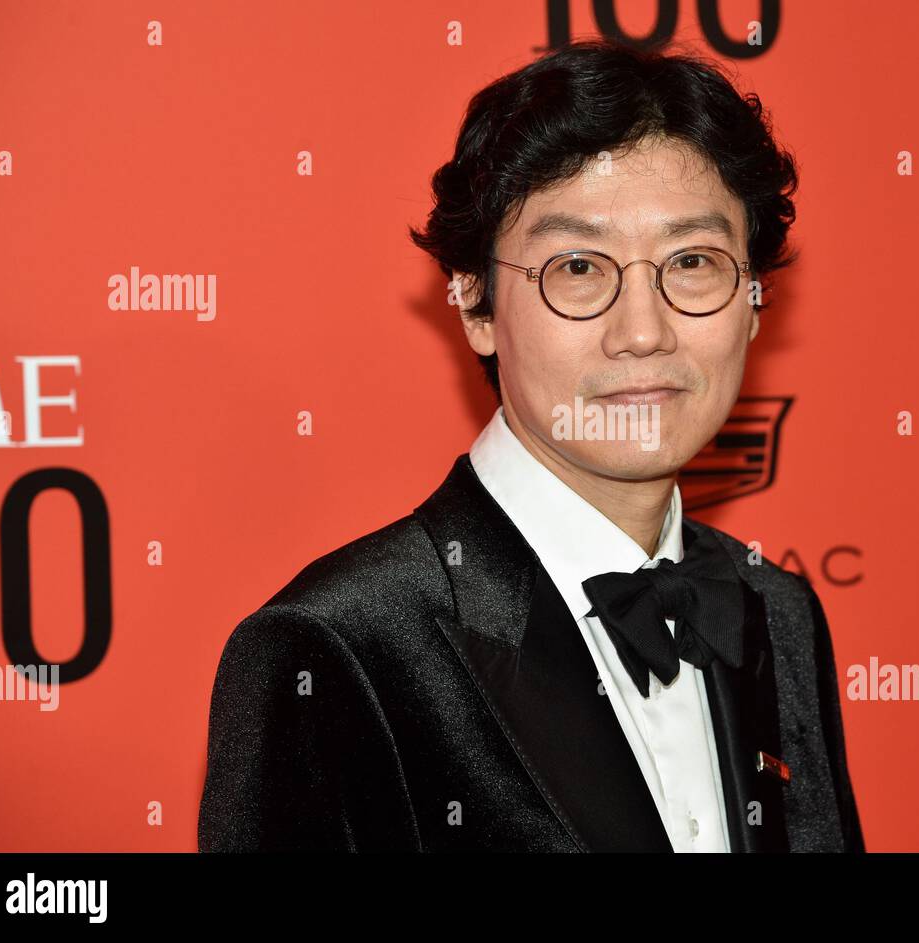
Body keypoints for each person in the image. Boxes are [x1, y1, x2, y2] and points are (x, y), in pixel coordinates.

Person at [198, 39, 863, 853]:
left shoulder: (777, 613)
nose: (644, 332)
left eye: (692, 261)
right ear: (476, 302)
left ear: (755, 299)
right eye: (579, 266)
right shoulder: (337, 646)